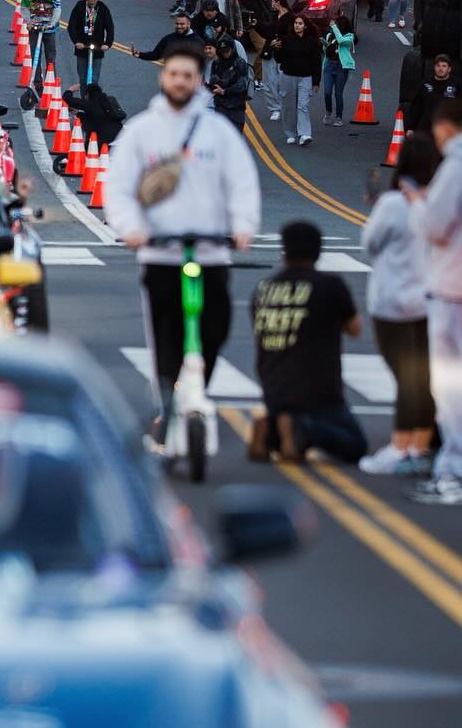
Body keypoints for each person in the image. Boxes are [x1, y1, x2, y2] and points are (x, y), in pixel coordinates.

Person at [104, 41, 260, 428]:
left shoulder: (218, 132)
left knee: (215, 326)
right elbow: (118, 187)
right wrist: (131, 228)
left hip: (210, 250)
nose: (179, 81)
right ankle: (166, 404)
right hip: (160, 253)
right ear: (163, 77)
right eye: (173, 74)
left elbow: (241, 182)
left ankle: (197, 389)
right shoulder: (141, 131)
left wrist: (242, 227)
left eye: (187, 76)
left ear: (198, 81)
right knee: (165, 333)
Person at [249, 219, 367, 465]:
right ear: (318, 251)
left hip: (275, 392)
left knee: (290, 426)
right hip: (320, 394)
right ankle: (300, 429)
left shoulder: (264, 289)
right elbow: (355, 328)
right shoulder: (329, 285)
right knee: (354, 444)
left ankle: (271, 429)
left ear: (285, 250)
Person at [360, 132, 439, 475]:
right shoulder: (436, 201)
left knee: (405, 378)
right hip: (427, 301)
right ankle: (421, 444)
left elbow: (370, 243)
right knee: (422, 376)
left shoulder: (394, 203)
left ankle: (400, 446)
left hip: (393, 302)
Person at [416, 98, 462, 501]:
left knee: (450, 386)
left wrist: (422, 203)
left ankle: (453, 470)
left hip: (452, 288)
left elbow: (435, 226)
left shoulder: (453, 168)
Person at [274, 10, 322, 146]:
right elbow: (278, 59)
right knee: (288, 106)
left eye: (300, 23)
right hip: (288, 76)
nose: (297, 26)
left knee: (303, 106)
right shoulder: (286, 39)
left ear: (305, 26)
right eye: (296, 23)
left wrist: (316, 81)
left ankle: (304, 134)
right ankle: (290, 133)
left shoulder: (312, 42)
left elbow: (316, 62)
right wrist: (277, 49)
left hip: (305, 77)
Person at [18, 0, 61, 78]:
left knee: (50, 57)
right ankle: (37, 82)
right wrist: (28, 21)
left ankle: (50, 80)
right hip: (34, 25)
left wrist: (52, 24)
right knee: (35, 56)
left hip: (49, 27)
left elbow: (57, 8)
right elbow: (24, 6)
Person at [67, 0, 114, 85]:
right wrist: (76, 42)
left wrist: (107, 44)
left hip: (97, 48)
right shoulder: (79, 6)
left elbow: (110, 27)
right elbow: (71, 26)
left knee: (94, 79)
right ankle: (84, 99)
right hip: (82, 48)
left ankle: (92, 100)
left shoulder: (103, 8)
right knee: (83, 79)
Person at [407, 51, 460, 133]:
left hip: (448, 129)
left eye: (444, 66)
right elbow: (416, 107)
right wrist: (410, 128)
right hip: (427, 129)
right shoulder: (425, 84)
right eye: (438, 66)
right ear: (434, 67)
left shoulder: (457, 85)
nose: (440, 69)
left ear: (449, 69)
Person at [208, 35, 251, 129]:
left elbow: (242, 85)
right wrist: (212, 86)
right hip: (220, 105)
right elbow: (212, 81)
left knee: (236, 136)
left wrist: (224, 91)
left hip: (236, 106)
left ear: (233, 49)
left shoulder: (240, 63)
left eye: (227, 50)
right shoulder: (216, 64)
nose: (225, 54)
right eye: (223, 51)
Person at [320, 17, 356, 126]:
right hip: (329, 65)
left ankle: (339, 117)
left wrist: (335, 28)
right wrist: (326, 44)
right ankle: (328, 112)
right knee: (327, 92)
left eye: (336, 24)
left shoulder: (349, 36)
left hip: (341, 67)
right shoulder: (330, 35)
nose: (333, 26)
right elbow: (326, 51)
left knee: (338, 93)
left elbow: (341, 41)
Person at [137, 6, 206, 62]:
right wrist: (140, 55)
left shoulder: (198, 42)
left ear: (188, 24)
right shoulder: (168, 39)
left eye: (182, 24)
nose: (179, 26)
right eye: (177, 24)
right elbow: (155, 55)